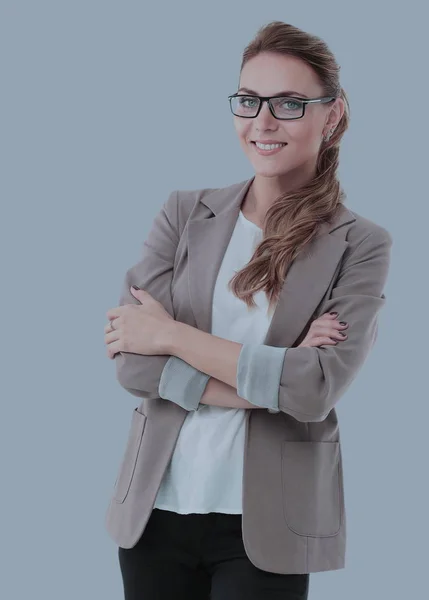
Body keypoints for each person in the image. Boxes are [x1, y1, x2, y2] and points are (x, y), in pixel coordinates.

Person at [103, 20, 392, 600]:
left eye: (288, 103)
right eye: (248, 100)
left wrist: (172, 336)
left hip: (268, 520)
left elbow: (314, 391)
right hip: (156, 507)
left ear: (330, 115)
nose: (262, 121)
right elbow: (134, 365)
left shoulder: (360, 243)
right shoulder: (185, 213)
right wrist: (271, 375)